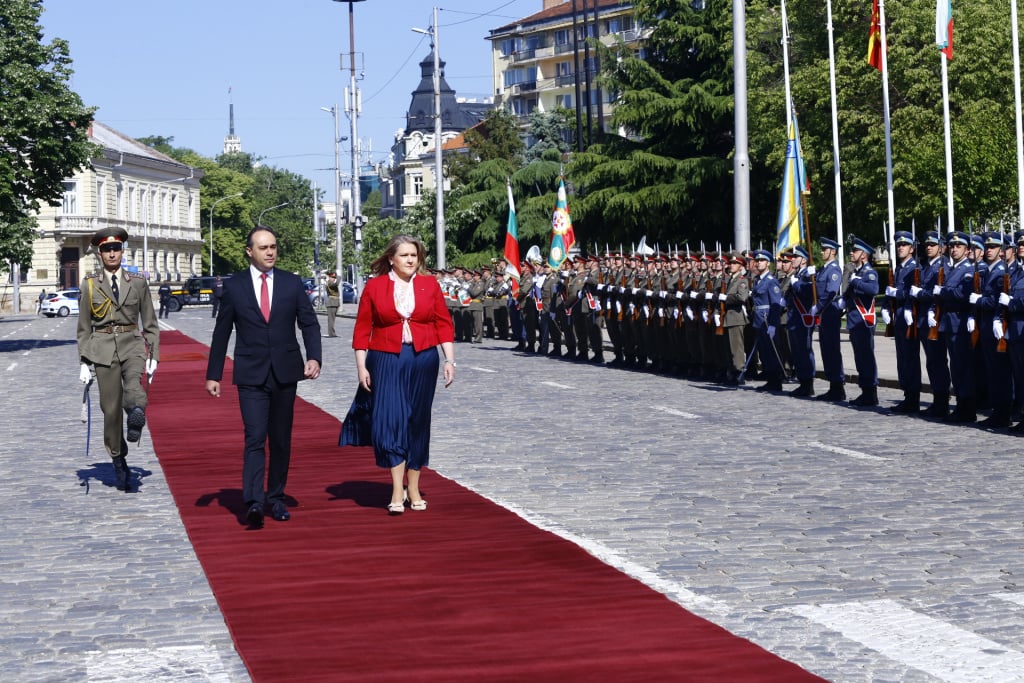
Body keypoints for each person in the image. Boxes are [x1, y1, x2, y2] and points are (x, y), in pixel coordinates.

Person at [205, 226, 322, 528]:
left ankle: (277, 498)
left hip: (285, 372)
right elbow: (222, 332)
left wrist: (314, 356)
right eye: (263, 247)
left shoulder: (292, 283)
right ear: (249, 251)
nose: (270, 252)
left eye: (273, 246)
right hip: (251, 374)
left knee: (280, 440)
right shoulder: (235, 286)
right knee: (255, 437)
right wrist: (213, 373)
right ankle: (254, 502)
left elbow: (308, 324)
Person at [339, 234, 456, 515]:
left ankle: (413, 487)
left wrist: (449, 360)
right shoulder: (376, 287)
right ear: (391, 258)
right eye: (404, 255)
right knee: (391, 421)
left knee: (417, 421)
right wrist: (361, 366)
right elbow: (362, 329)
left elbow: (443, 323)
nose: (410, 260)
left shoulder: (430, 285)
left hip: (423, 359)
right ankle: (395, 488)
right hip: (386, 360)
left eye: (414, 255)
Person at [76, 226, 160, 491]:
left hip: (132, 344)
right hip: (101, 347)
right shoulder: (90, 284)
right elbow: (83, 327)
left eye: (116, 248)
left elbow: (150, 322)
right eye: (106, 249)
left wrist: (154, 354)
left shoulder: (137, 282)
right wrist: (84, 361)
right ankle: (118, 458)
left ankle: (136, 414)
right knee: (110, 409)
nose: (112, 253)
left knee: (134, 386)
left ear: (122, 252)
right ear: (99, 254)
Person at [844, 236, 881, 406]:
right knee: (859, 357)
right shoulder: (856, 273)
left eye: (855, 251)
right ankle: (865, 390)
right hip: (854, 320)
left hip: (863, 321)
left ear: (864, 255)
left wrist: (857, 282)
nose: (852, 253)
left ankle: (871, 392)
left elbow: (873, 289)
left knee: (866, 357)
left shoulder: (869, 273)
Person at [325, 271, 341, 337]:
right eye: (333, 277)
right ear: (329, 277)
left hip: (334, 302)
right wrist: (338, 277)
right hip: (332, 302)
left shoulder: (331, 282)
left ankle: (332, 333)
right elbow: (336, 284)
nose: (334, 278)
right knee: (331, 319)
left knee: (332, 319)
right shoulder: (329, 283)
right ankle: (331, 333)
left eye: (334, 277)